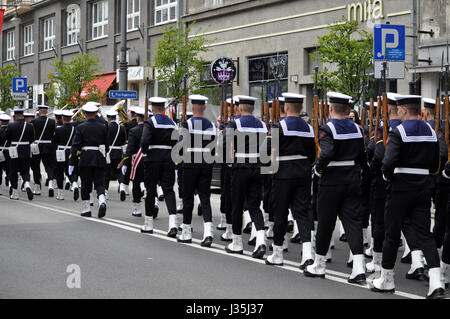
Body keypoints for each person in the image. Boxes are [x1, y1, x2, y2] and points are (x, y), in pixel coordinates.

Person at [372, 94, 445, 299]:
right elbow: (435, 162)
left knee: (392, 233)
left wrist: (388, 176)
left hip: (400, 187)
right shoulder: (430, 132)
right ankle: (436, 282)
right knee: (424, 235)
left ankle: (386, 279)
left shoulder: (399, 131)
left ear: (403, 110)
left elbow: (388, 162)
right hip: (423, 187)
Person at [305, 92, 367, 284]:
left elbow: (328, 152)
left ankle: (319, 264)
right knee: (353, 223)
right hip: (352, 179)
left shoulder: (327, 128)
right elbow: (362, 157)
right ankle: (359, 268)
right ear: (348, 110)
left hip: (332, 181)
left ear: (330, 108)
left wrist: (318, 169)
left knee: (326, 223)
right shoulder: (357, 128)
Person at [265, 93, 316, 268]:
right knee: (302, 212)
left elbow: (267, 152)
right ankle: (308, 254)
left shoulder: (279, 126)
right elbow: (312, 156)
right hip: (303, 172)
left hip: (283, 173)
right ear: (301, 107)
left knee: (280, 212)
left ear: (286, 107)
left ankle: (277, 252)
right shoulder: (309, 128)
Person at [225, 95, 267, 258]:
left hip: (240, 167)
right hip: (257, 167)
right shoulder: (263, 125)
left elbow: (228, 145)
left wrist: (230, 163)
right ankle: (261, 240)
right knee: (255, 207)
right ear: (253, 109)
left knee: (237, 205)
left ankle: (236, 242)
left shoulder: (235, 123)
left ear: (240, 108)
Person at [177, 95, 217, 247]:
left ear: (192, 108)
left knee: (188, 199)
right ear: (204, 108)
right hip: (206, 163)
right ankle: (208, 232)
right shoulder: (212, 126)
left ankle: (186, 231)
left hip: (191, 163)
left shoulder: (187, 124)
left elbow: (181, 145)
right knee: (205, 198)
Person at [140, 97, 178, 236]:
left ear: (153, 108)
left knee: (150, 190)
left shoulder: (150, 122)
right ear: (163, 108)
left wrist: (145, 152)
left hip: (153, 158)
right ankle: (173, 224)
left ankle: (148, 224)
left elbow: (144, 141)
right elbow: (177, 142)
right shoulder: (173, 123)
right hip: (168, 158)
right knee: (169, 191)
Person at [69, 102, 108, 218]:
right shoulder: (103, 126)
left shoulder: (80, 127)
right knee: (100, 182)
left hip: (86, 158)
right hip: (99, 156)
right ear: (96, 113)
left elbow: (75, 145)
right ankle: (102, 200)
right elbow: (107, 145)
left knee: (86, 184)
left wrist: (72, 162)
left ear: (85, 114)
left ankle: (87, 208)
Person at [422, 98, 449, 251]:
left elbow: (442, 152)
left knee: (435, 215)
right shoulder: (440, 127)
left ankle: (432, 246)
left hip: (435, 177)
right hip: (436, 177)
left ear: (426, 113)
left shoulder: (435, 129)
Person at [5, 109, 35, 201]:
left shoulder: (11, 125)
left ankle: (15, 193)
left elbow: (7, 138)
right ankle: (26, 184)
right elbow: (32, 138)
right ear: (23, 116)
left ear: (15, 116)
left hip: (14, 150)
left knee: (13, 171)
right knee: (25, 170)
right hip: (26, 150)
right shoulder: (30, 126)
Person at [122, 108, 146, 218]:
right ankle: (154, 203)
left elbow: (130, 148)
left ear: (137, 118)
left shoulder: (134, 130)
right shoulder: (151, 129)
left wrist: (126, 163)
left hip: (138, 161)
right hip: (150, 160)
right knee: (150, 184)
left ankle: (137, 209)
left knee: (136, 184)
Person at [30, 105, 56, 197]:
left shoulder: (34, 122)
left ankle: (37, 187)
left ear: (40, 111)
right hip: (49, 146)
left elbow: (32, 135)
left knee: (36, 167)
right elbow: (54, 134)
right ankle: (50, 184)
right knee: (49, 166)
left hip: (37, 146)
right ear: (46, 111)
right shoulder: (52, 122)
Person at [53, 110, 79, 201]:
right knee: (71, 171)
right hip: (71, 152)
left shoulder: (58, 129)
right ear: (71, 118)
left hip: (60, 152)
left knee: (59, 172)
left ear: (62, 118)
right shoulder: (75, 129)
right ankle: (75, 184)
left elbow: (54, 142)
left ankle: (60, 194)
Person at [105, 110, 127, 201]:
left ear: (108, 118)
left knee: (106, 172)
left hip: (108, 153)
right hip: (118, 153)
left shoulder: (106, 127)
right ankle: (122, 187)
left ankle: (105, 192)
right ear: (115, 117)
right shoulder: (121, 128)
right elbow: (123, 142)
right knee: (119, 171)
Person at [0, 113, 11, 195]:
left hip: (0, 151)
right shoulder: (11, 130)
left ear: (0, 122)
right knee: (9, 169)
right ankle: (11, 184)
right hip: (9, 151)